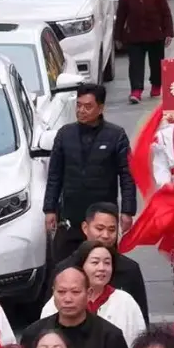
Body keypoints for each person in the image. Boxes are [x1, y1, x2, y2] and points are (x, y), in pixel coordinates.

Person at [43, 85, 136, 265]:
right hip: (71, 213)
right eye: (78, 105)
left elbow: (127, 175)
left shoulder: (116, 136)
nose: (81, 111)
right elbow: (54, 175)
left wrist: (127, 211)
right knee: (66, 264)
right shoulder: (65, 134)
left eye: (87, 106)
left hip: (102, 213)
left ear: (100, 108)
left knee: (101, 262)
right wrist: (50, 209)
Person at [43, 243, 147, 348]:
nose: (102, 268)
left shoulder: (126, 302)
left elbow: (139, 344)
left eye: (107, 263)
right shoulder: (59, 301)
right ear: (81, 266)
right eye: (95, 262)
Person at [78, 204, 152, 320]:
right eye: (100, 229)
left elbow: (140, 319)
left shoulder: (130, 270)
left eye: (112, 230)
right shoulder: (68, 268)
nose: (106, 235)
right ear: (85, 228)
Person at [115, 0, 174, 103]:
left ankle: (156, 85)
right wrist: (118, 36)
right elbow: (121, 15)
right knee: (135, 64)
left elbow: (166, 13)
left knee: (156, 63)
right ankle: (136, 91)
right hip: (134, 36)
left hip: (155, 35)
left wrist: (168, 32)